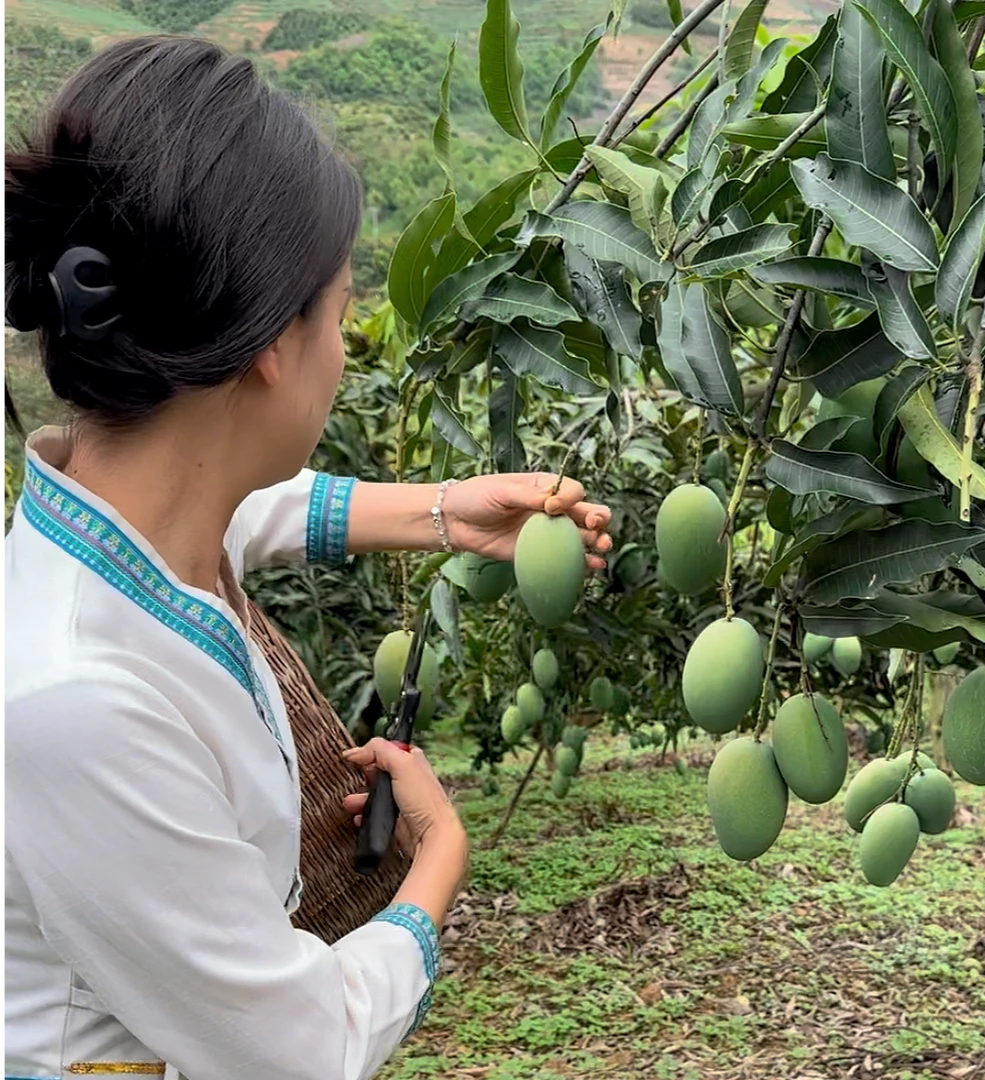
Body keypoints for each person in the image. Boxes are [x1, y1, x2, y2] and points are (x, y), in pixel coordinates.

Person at [0, 35, 612, 1080]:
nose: (347, 341)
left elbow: (247, 512)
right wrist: (438, 873)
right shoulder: (77, 701)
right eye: (339, 309)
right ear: (273, 347)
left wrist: (447, 511)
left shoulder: (116, 535)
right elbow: (302, 1050)